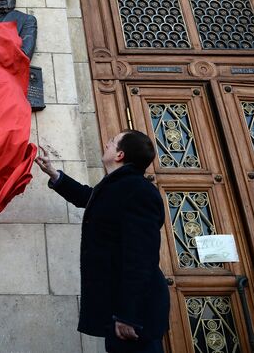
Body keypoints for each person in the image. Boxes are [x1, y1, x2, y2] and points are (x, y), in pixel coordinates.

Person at [35, 130, 170, 353]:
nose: (107, 143)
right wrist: (53, 173)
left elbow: (141, 258)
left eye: (112, 142)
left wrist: (129, 314)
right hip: (118, 309)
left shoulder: (138, 191)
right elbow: (88, 198)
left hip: (134, 315)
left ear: (120, 155)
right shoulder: (117, 187)